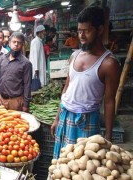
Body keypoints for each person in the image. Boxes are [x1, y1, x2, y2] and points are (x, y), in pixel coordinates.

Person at [51, 6, 120, 158]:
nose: (81, 35)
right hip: (65, 115)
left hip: (86, 120)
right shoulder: (74, 56)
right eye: (79, 30)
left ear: (100, 29)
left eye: (86, 31)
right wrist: (57, 118)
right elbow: (66, 89)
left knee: (83, 167)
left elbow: (109, 101)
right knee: (60, 163)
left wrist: (108, 138)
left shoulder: (109, 64)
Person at [0, 32, 32, 112]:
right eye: (14, 42)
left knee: (14, 123)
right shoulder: (3, 58)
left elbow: (27, 85)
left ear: (22, 45)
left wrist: (26, 105)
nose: (16, 44)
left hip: (16, 101)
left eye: (19, 43)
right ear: (9, 43)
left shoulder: (26, 63)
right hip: (1, 100)